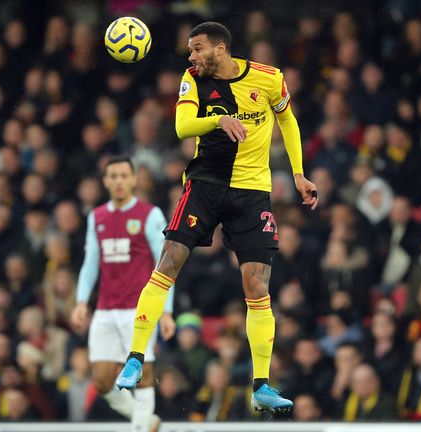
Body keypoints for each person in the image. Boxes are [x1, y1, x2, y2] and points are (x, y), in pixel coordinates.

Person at [115, 22, 318, 415]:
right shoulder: (192, 80)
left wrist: (297, 173)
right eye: (190, 50)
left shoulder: (270, 78)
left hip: (252, 191)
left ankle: (261, 384)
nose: (190, 56)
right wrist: (218, 120)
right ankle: (136, 357)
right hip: (205, 184)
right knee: (170, 260)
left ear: (220, 49)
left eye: (197, 49)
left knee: (257, 285)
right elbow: (182, 126)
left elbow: (287, 121)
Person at [70, 156, 175, 432]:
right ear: (105, 181)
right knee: (103, 381)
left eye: (123, 176)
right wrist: (82, 301)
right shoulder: (97, 216)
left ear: (133, 179)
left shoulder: (150, 215)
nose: (118, 181)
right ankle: (147, 421)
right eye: (113, 176)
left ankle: (139, 428)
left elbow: (166, 265)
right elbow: (91, 262)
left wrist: (167, 310)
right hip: (105, 309)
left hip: (138, 308)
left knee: (143, 371)